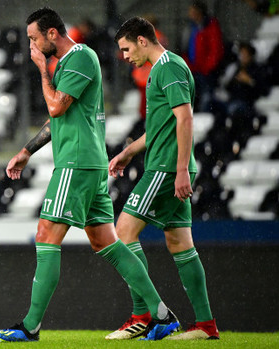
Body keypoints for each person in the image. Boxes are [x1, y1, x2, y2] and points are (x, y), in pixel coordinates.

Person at [0, 8, 179, 343]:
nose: (31, 45)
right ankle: (162, 315)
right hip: (87, 162)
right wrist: (27, 151)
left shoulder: (79, 57)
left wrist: (42, 71)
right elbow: (59, 117)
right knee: (106, 241)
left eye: (34, 38)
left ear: (51, 34)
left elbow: (56, 106)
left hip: (76, 164)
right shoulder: (69, 63)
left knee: (46, 234)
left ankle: (30, 326)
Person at [108, 17, 219, 340]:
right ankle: (205, 326)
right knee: (180, 243)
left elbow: (185, 119)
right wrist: (130, 151)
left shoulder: (168, 67)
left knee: (123, 233)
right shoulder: (164, 68)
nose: (125, 56)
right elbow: (162, 126)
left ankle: (146, 315)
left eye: (127, 48)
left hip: (167, 168)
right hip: (166, 163)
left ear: (143, 40)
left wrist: (182, 169)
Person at [182, 0, 224, 112]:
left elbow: (215, 50)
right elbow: (185, 48)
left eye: (192, 12)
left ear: (199, 12)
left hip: (206, 71)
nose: (189, 14)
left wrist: (207, 67)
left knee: (206, 97)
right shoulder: (191, 28)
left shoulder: (210, 26)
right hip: (193, 70)